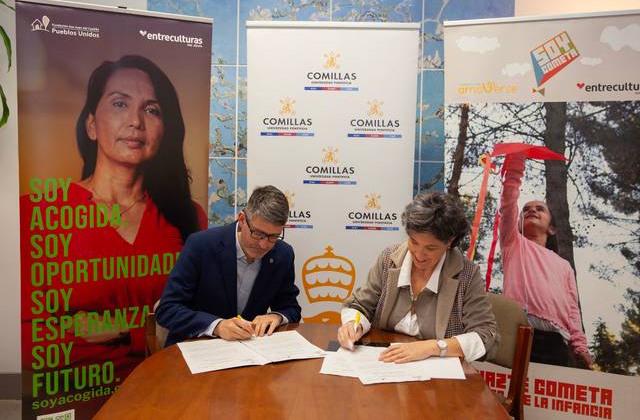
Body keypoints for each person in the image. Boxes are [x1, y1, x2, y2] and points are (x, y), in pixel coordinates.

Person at [20, 55, 207, 378]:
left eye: (152, 109)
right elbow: (25, 338)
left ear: (165, 130)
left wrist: (122, 329)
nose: (136, 121)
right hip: (75, 396)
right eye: (120, 104)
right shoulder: (36, 213)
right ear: (91, 125)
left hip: (169, 389)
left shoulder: (189, 217)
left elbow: (201, 322)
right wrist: (153, 332)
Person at [337, 192, 498, 363]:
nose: (419, 255)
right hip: (385, 365)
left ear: (449, 242)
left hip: (438, 379)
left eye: (431, 248)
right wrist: (353, 325)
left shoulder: (467, 275)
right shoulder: (389, 259)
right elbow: (361, 305)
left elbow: (486, 335)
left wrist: (431, 347)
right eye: (414, 242)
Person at [156, 185, 302, 346]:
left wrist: (276, 316)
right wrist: (216, 326)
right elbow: (167, 309)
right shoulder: (201, 245)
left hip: (248, 354)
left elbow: (291, 308)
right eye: (258, 234)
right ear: (241, 220)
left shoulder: (283, 254)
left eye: (273, 236)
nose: (263, 244)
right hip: (196, 348)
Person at [499, 153, 591, 368]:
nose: (531, 210)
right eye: (526, 209)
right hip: (516, 329)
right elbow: (508, 204)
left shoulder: (564, 266)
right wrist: (515, 167)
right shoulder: (513, 243)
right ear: (518, 224)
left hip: (554, 340)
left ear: (552, 228)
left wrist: (579, 346)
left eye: (540, 209)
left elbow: (572, 308)